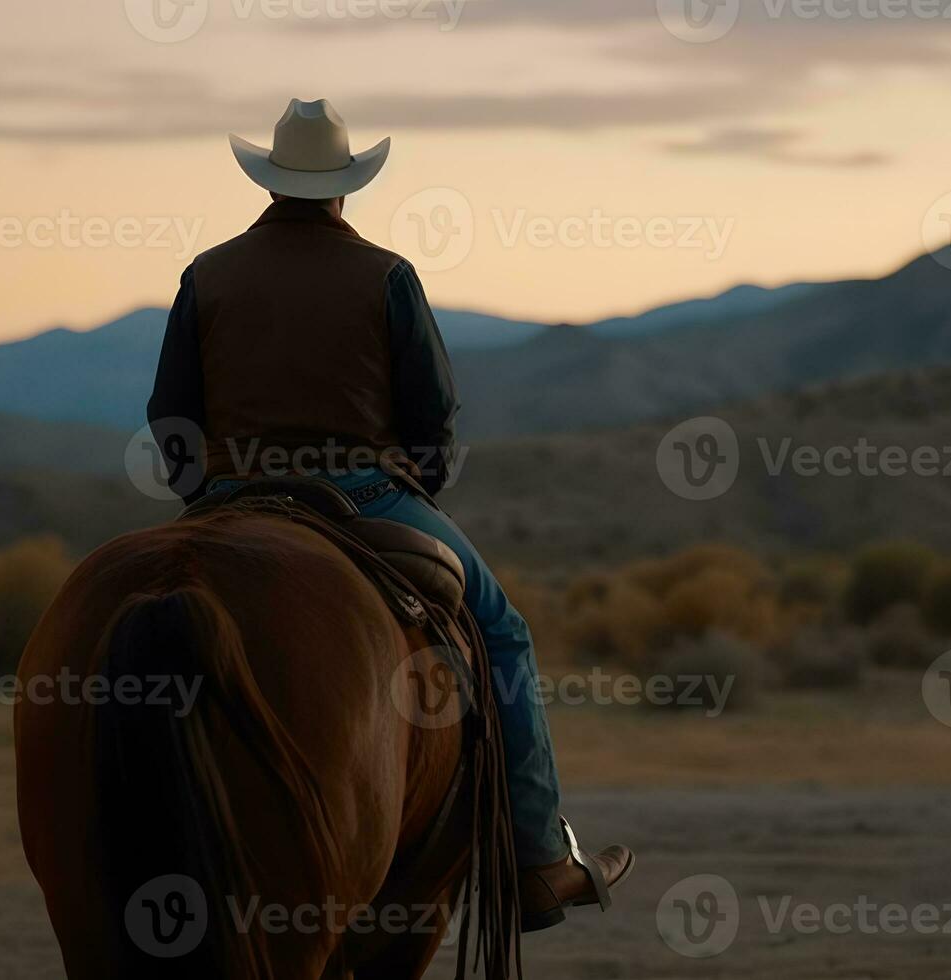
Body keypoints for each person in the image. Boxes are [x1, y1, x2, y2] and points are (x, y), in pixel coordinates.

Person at [147, 98, 633, 931]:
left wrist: (210, 500)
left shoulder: (207, 274)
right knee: (503, 629)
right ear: (344, 190)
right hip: (368, 496)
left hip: (230, 496)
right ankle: (539, 859)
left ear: (268, 182)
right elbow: (433, 418)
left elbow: (172, 417)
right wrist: (412, 495)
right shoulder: (387, 275)